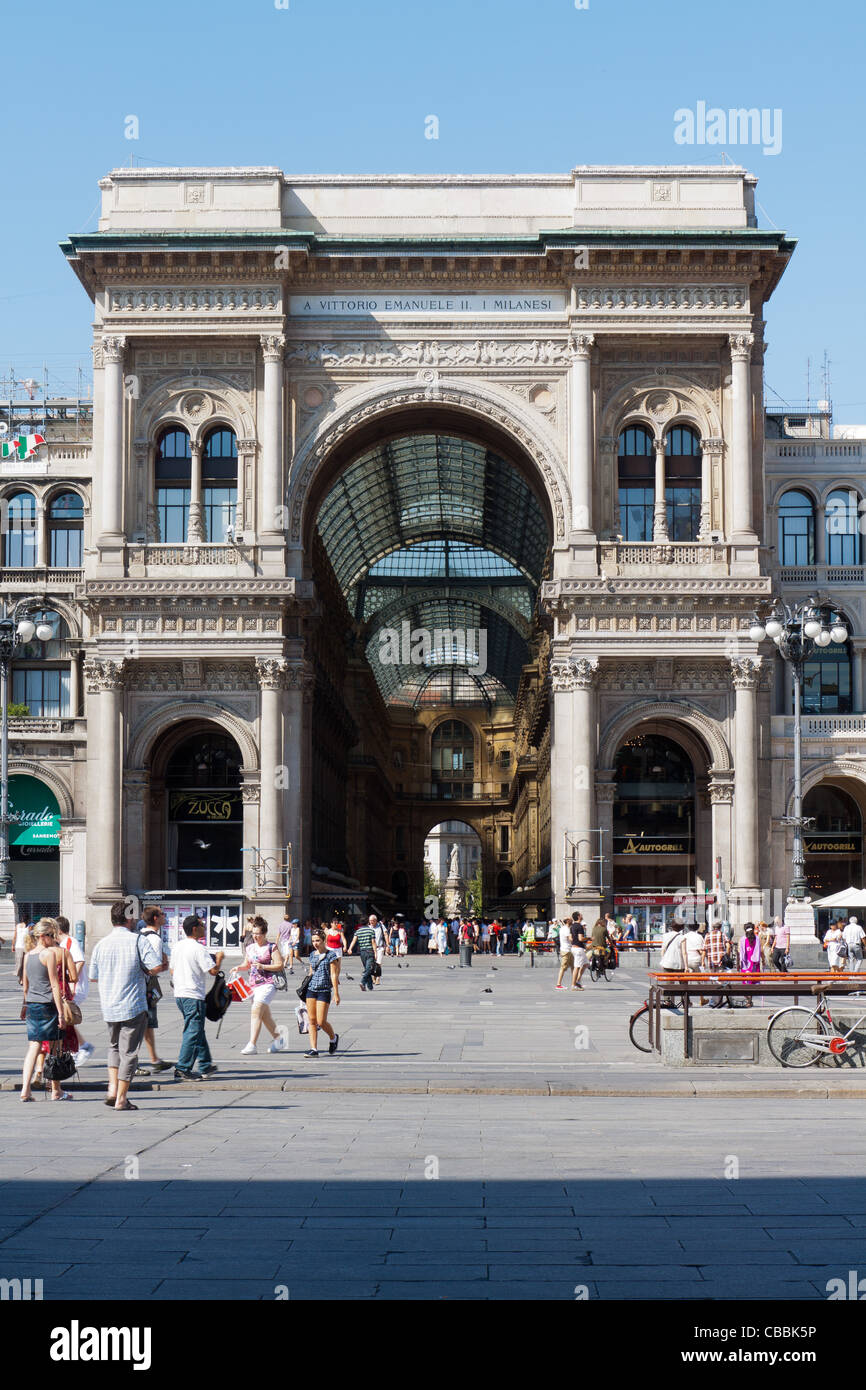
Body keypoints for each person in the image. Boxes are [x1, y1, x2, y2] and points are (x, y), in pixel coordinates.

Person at [90, 900, 165, 1110]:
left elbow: (93, 976)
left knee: (113, 1047)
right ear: (129, 918)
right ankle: (121, 1099)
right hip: (133, 1003)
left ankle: (112, 1089)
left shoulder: (101, 944)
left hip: (109, 1005)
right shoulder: (137, 940)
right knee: (129, 1052)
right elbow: (156, 966)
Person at [20, 920, 75, 1102]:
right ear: (42, 937)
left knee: (34, 1047)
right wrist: (60, 1012)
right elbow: (54, 984)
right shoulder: (48, 954)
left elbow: (25, 986)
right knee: (55, 1048)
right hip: (47, 1005)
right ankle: (56, 1091)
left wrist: (24, 1005)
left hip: (32, 1005)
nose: (53, 939)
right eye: (51, 936)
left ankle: (26, 1090)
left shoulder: (28, 956)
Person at [170, 914, 225, 1078]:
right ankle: (183, 1068)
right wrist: (220, 959)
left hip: (180, 994)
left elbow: (172, 970)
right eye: (202, 925)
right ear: (194, 929)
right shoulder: (199, 948)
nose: (204, 928)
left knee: (197, 1030)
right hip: (193, 995)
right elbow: (213, 971)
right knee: (193, 1032)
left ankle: (205, 1064)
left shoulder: (177, 946)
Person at [235, 917, 288, 1055]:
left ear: (264, 934)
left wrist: (263, 966)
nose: (255, 936)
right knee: (264, 1016)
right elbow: (246, 964)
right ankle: (279, 1040)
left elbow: (280, 965)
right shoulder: (250, 947)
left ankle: (252, 1044)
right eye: (253, 933)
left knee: (256, 1010)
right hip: (254, 984)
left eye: (258, 933)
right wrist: (237, 968)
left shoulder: (271, 947)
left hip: (268, 983)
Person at [135, 906, 172, 1075]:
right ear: (156, 918)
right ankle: (132, 1062)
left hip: (140, 984)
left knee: (147, 1024)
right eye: (163, 914)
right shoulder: (155, 939)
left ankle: (154, 1059)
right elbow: (154, 967)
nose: (165, 917)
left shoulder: (140, 934)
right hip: (147, 986)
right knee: (140, 1025)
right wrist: (165, 965)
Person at [303, 926, 341, 1058]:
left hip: (324, 990)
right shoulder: (312, 955)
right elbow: (311, 972)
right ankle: (313, 1049)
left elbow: (333, 975)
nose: (315, 943)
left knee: (321, 1021)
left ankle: (333, 1037)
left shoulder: (331, 955)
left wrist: (336, 993)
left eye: (318, 940)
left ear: (324, 940)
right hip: (311, 990)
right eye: (313, 941)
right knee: (311, 1020)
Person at [346, 914, 377, 991]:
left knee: (367, 969)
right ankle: (362, 982)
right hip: (369, 951)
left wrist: (350, 948)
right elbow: (373, 942)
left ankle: (370, 986)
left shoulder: (358, 931)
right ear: (368, 923)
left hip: (362, 953)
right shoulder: (371, 931)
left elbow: (354, 940)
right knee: (368, 969)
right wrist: (375, 952)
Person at [738, 921, 762, 1004]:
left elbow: (740, 952)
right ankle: (749, 999)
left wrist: (740, 962)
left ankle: (749, 1000)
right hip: (750, 963)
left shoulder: (746, 939)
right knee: (750, 982)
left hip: (749, 963)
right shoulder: (752, 938)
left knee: (748, 982)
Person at [325, 917, 348, 981]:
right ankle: (331, 977)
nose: (336, 924)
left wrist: (345, 946)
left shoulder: (340, 930)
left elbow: (343, 939)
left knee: (338, 965)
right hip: (329, 949)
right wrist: (323, 949)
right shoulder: (328, 931)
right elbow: (325, 941)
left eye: (337, 923)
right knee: (329, 964)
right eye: (334, 923)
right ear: (331, 924)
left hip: (338, 949)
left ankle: (336, 977)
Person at [555, 919, 574, 990]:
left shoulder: (563, 928)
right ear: (568, 921)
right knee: (563, 967)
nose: (572, 920)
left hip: (568, 949)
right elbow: (570, 939)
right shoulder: (566, 929)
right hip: (566, 950)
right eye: (570, 919)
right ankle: (558, 984)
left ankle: (575, 983)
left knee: (573, 967)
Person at [14, 919, 29, 985]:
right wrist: (13, 945)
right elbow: (15, 936)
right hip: (19, 946)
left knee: (25, 964)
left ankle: (22, 979)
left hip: (26, 947)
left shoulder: (29, 926)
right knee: (20, 963)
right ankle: (20, 978)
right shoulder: (17, 926)